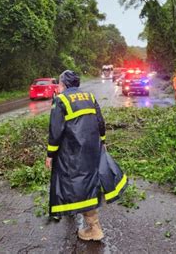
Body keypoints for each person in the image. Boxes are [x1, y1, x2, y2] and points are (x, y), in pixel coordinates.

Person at [45, 70, 128, 241]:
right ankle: (83, 218)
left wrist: (50, 154)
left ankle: (94, 228)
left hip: (73, 151)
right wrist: (102, 142)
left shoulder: (61, 100)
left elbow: (55, 130)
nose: (58, 86)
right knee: (89, 180)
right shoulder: (89, 97)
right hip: (92, 147)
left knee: (78, 183)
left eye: (60, 83)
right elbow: (100, 121)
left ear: (64, 84)